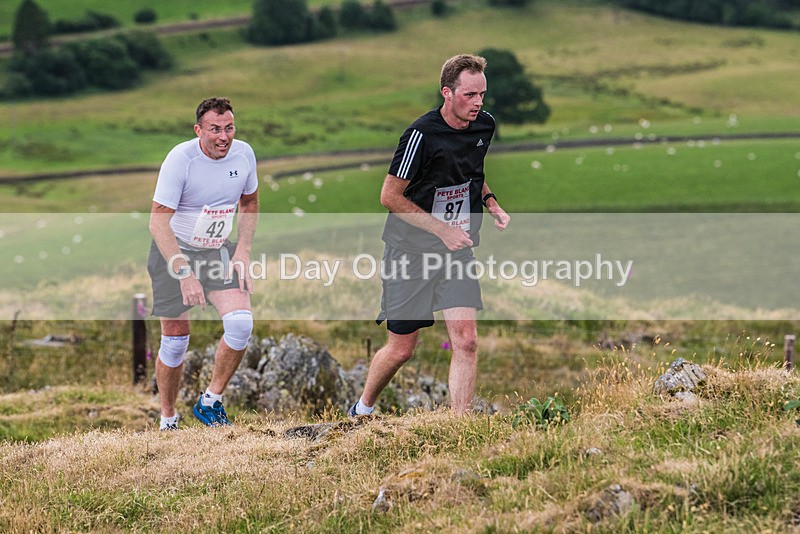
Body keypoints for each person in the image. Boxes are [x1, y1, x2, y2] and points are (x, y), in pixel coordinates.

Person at [349, 54, 510, 416]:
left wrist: (490, 202)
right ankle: (362, 408)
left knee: (466, 341)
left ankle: (459, 425)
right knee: (402, 349)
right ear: (447, 92)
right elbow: (389, 196)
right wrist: (442, 230)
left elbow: (471, 171)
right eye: (470, 95)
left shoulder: (484, 125)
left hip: (456, 252)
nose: (479, 103)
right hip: (409, 252)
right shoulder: (421, 135)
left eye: (483, 94)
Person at [147, 97, 259, 430]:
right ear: (199, 130)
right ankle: (168, 418)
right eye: (215, 129)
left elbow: (250, 202)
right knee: (176, 340)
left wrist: (242, 252)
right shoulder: (180, 159)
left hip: (217, 250)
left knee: (241, 325)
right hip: (173, 250)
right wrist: (184, 274)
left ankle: (210, 402)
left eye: (229, 128)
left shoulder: (244, 154)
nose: (223, 136)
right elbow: (157, 222)